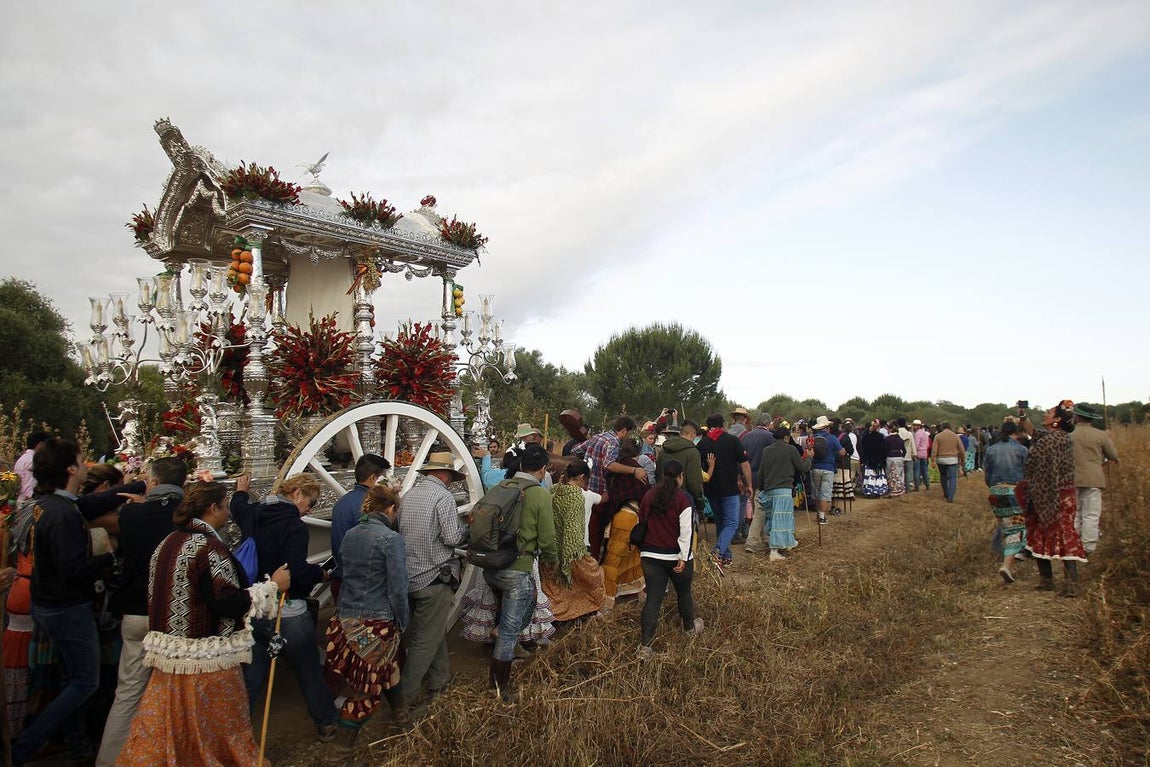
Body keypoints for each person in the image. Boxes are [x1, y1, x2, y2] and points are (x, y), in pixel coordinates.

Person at [116, 481, 290, 766]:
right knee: (219, 727)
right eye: (225, 507)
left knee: (174, 727)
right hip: (206, 657)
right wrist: (272, 587)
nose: (228, 514)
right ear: (213, 508)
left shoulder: (168, 542)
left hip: (170, 656)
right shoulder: (207, 547)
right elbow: (225, 600)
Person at [11, 438, 116, 767]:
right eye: (81, 460)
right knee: (86, 681)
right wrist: (108, 560)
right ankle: (25, 746)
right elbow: (73, 570)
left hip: (48, 604)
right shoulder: (62, 514)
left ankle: (77, 744)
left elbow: (86, 508)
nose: (86, 465)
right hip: (66, 606)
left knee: (72, 679)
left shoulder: (48, 504)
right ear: (70, 468)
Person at [231, 473, 338, 742]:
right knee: (308, 667)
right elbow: (295, 571)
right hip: (286, 607)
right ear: (297, 494)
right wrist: (320, 574)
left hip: (255, 606)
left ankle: (234, 733)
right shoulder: (294, 526)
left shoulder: (254, 513)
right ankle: (326, 721)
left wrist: (240, 490)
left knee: (253, 674)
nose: (310, 510)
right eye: (310, 503)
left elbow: (237, 508)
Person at [96, 457, 187, 767]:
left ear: (152, 482)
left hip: (135, 611)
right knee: (177, 692)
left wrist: (138, 497)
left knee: (128, 693)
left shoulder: (132, 514)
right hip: (173, 614)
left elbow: (89, 511)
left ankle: (108, 760)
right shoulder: (185, 517)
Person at [324, 483, 409, 763]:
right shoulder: (390, 539)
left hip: (346, 619)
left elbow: (344, 570)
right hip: (376, 620)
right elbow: (397, 587)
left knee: (388, 667)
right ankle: (339, 751)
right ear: (390, 509)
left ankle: (402, 716)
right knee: (366, 689)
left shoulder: (350, 535)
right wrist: (402, 620)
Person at [485, 444, 557, 700]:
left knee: (518, 609)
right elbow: (547, 539)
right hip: (518, 569)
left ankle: (500, 636)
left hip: (491, 566)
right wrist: (554, 561)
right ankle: (499, 688)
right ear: (543, 469)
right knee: (509, 629)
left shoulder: (501, 487)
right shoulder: (539, 494)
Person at [398, 452, 469, 704]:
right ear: (445, 474)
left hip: (410, 576)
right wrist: (467, 530)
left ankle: (440, 680)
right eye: (450, 476)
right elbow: (451, 538)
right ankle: (404, 700)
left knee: (431, 631)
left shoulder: (408, 496)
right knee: (423, 641)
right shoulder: (443, 497)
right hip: (435, 576)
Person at [635, 460, 703, 658]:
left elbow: (641, 521)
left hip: (650, 555)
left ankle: (646, 647)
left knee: (653, 599)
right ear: (681, 476)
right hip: (675, 555)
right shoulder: (683, 499)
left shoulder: (650, 494)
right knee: (684, 593)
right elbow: (686, 531)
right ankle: (690, 629)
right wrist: (683, 556)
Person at [1021, 400, 1087, 596]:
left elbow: (1038, 465)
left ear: (1057, 419)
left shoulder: (1053, 440)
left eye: (1048, 413)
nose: (1045, 414)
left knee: (1062, 533)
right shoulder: (1055, 437)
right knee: (1041, 531)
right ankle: (1048, 580)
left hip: (1055, 494)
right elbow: (1034, 432)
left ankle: (1070, 584)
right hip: (1052, 493)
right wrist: (1023, 415)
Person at [540, 460, 605, 622]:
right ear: (582, 477)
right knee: (593, 580)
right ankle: (586, 609)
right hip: (578, 549)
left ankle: (555, 614)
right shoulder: (586, 496)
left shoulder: (553, 491)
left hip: (553, 549)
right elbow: (603, 499)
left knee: (558, 586)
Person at [572, 415, 641, 560]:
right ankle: (591, 563)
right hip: (599, 492)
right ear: (623, 430)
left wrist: (588, 465)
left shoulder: (598, 437)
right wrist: (633, 470)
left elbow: (576, 450)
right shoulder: (613, 442)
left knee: (582, 527)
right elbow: (608, 464)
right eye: (627, 433)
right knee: (595, 534)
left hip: (584, 489)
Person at [331, 453, 391, 599]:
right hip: (367, 584)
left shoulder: (342, 502)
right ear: (372, 478)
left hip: (342, 577)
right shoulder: (371, 504)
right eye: (382, 477)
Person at [696, 414, 752, 567]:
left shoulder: (702, 444)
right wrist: (749, 484)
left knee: (721, 522)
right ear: (723, 425)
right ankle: (717, 552)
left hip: (711, 489)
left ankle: (726, 556)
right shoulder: (732, 440)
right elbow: (745, 464)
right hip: (730, 489)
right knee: (732, 523)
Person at [756, 427, 813, 561]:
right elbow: (802, 467)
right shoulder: (790, 449)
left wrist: (760, 487)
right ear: (787, 438)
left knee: (773, 519)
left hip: (769, 490)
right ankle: (774, 551)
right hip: (784, 490)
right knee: (781, 520)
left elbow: (761, 472)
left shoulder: (766, 450)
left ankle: (784, 543)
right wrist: (809, 458)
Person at [984, 422, 1029, 584]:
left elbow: (987, 475)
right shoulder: (1022, 450)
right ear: (1015, 433)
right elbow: (1027, 473)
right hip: (1014, 491)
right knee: (1016, 529)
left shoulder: (991, 449)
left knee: (1004, 524)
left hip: (995, 491)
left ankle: (1001, 554)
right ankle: (1007, 565)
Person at [1070, 403, 1119, 555]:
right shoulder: (1100, 434)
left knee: (1075, 513)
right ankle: (1088, 547)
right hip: (1094, 478)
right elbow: (1113, 455)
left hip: (1072, 478)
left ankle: (1073, 544)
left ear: (1077, 417)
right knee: (1091, 513)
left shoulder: (1069, 436)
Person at [739, 414, 775, 554]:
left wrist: (739, 476)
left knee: (756, 507)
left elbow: (740, 458)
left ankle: (763, 537)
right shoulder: (769, 437)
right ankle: (759, 539)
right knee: (763, 509)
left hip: (748, 475)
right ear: (767, 423)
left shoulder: (746, 436)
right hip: (764, 477)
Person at [656, 422, 705, 510]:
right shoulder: (693, 452)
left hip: (662, 497)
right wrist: (699, 502)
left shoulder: (664, 449)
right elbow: (694, 481)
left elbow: (658, 472)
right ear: (691, 434)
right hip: (684, 501)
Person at [808, 416, 845, 523]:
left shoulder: (813, 438)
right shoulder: (832, 438)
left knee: (817, 492)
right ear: (826, 427)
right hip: (828, 468)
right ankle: (822, 517)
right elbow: (841, 452)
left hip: (815, 467)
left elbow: (809, 451)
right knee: (825, 493)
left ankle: (818, 514)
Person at [931, 422, 965, 503]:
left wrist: (933, 460)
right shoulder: (956, 436)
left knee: (943, 476)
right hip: (953, 459)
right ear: (950, 427)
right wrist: (963, 461)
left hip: (941, 459)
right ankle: (950, 496)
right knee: (953, 478)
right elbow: (962, 450)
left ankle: (946, 493)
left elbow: (934, 450)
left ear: (942, 428)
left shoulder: (938, 436)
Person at [13, 430, 50, 502]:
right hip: (28, 503)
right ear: (40, 444)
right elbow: (29, 488)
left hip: (20, 500)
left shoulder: (22, 459)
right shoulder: (32, 461)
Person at [858, 422, 888, 498]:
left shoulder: (866, 437)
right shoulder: (881, 437)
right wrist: (882, 460)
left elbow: (864, 449)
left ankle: (869, 491)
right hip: (878, 460)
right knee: (877, 476)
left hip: (869, 460)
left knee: (870, 475)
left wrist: (864, 458)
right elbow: (883, 449)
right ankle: (878, 491)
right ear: (878, 428)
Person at [884, 426, 906, 498]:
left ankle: (891, 489)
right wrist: (902, 456)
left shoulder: (887, 439)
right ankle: (900, 489)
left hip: (890, 457)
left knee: (890, 474)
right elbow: (904, 450)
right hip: (899, 457)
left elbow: (885, 449)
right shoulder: (900, 440)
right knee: (899, 474)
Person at [910, 420, 931, 491]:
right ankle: (927, 485)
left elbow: (916, 445)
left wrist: (913, 453)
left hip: (918, 454)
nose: (914, 427)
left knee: (916, 470)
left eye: (915, 425)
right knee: (925, 470)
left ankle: (917, 486)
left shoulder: (917, 434)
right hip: (924, 453)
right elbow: (928, 445)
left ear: (919, 426)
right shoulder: (925, 433)